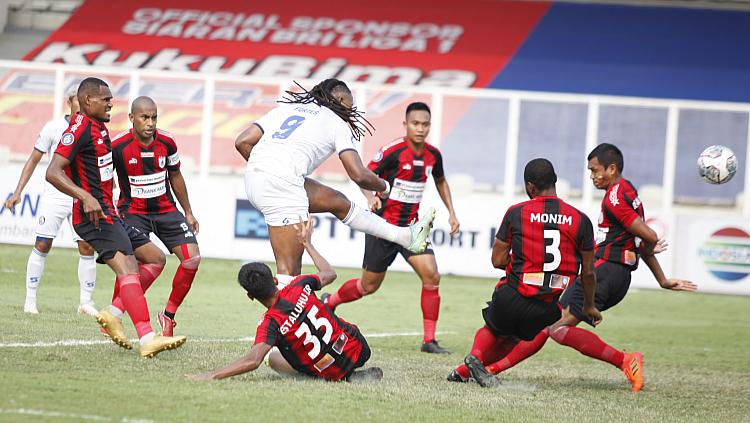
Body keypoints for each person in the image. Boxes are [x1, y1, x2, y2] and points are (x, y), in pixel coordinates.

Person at [473, 144, 698, 392]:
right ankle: (489, 369)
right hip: (618, 276)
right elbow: (639, 241)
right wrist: (661, 278)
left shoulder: (614, 198)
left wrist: (644, 248)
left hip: (605, 270)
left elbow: (649, 236)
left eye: (595, 170)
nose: (592, 177)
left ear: (611, 169)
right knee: (557, 328)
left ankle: (624, 360)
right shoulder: (628, 191)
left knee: (552, 326)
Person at [234, 79, 435, 289]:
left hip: (256, 177)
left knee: (337, 201)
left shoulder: (286, 109)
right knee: (289, 275)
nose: (350, 112)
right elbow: (358, 174)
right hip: (281, 185)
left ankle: (404, 236)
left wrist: (269, 171)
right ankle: (282, 321)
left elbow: (242, 141)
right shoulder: (336, 122)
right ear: (339, 100)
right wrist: (385, 187)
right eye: (349, 105)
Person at [46, 77, 187, 358]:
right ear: (88, 101)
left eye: (112, 99)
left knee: (156, 259)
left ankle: (112, 314)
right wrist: (85, 197)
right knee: (128, 270)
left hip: (110, 213)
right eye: (105, 99)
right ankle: (147, 337)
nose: (112, 103)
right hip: (94, 217)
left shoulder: (98, 128)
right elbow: (53, 171)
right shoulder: (81, 127)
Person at [448, 158, 602, 388]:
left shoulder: (516, 212)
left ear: (530, 187)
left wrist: (524, 266)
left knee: (493, 328)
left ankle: (474, 357)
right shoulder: (581, 220)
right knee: (519, 337)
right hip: (547, 304)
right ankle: (463, 372)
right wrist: (588, 305)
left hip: (513, 294)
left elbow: (497, 260)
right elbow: (588, 273)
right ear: (555, 181)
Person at [322, 102, 459, 354]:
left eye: (425, 124)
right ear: (405, 124)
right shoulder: (392, 151)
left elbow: (441, 181)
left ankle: (429, 341)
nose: (420, 128)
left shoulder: (433, 155)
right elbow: (363, 174)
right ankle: (330, 302)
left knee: (432, 276)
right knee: (368, 287)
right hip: (383, 228)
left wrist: (451, 212)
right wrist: (369, 196)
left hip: (412, 230)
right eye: (415, 123)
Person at [186, 218, 382, 382]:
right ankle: (347, 369)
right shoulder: (299, 284)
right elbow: (329, 274)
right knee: (323, 313)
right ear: (274, 279)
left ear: (251, 296)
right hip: (360, 349)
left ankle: (332, 377)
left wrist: (210, 375)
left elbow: (253, 361)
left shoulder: (270, 323)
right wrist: (307, 243)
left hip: (330, 371)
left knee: (273, 358)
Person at [111, 96, 200, 336]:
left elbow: (176, 175)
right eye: (144, 117)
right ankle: (115, 316)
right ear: (131, 118)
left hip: (166, 210)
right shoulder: (117, 146)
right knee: (132, 264)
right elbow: (104, 181)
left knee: (192, 259)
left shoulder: (168, 141)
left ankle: (168, 315)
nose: (150, 123)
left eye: (154, 117)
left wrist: (188, 212)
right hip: (133, 213)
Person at [4, 87, 97, 316]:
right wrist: (17, 192)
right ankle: (30, 300)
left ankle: (85, 303)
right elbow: (34, 160)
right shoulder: (53, 128)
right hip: (56, 195)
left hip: (81, 196)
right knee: (42, 243)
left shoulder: (93, 130)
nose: (83, 106)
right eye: (79, 101)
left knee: (86, 247)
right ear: (70, 101)